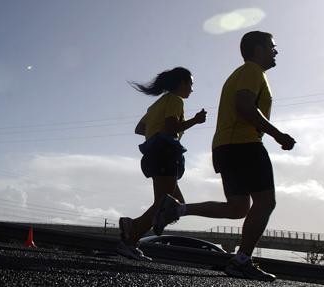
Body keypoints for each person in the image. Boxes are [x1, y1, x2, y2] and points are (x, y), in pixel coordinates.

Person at [153, 31, 296, 281]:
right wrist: (277, 134)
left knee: (238, 207)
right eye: (272, 46)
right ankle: (241, 261)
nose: (276, 51)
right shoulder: (252, 71)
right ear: (257, 49)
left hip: (226, 147)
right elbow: (244, 105)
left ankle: (178, 209)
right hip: (244, 144)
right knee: (265, 202)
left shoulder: (241, 74)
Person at [116, 67, 207, 260]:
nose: (192, 89)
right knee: (163, 205)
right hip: (166, 154)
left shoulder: (157, 104)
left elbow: (140, 129)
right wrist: (195, 121)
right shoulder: (175, 100)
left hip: (153, 155)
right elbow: (171, 126)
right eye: (190, 84)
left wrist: (154, 133)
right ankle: (132, 232)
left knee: (174, 204)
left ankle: (132, 234)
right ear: (181, 83)